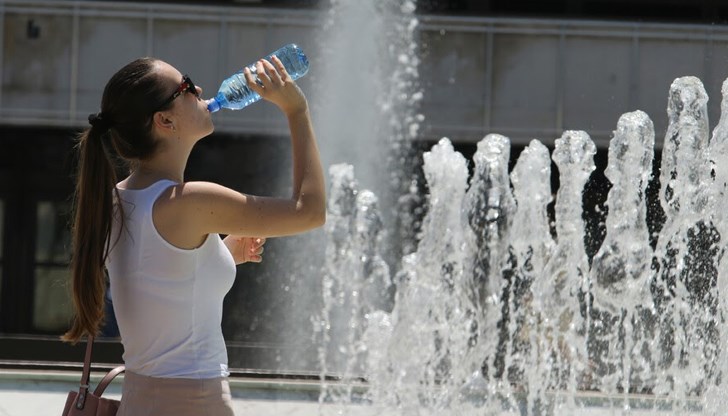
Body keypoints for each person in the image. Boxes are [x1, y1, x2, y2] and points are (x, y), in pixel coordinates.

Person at [62, 55, 325, 415]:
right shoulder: (191, 201)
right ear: (164, 120)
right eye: (185, 87)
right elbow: (309, 212)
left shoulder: (113, 202)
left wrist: (221, 254)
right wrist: (297, 111)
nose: (199, 89)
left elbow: (159, 277)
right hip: (194, 402)